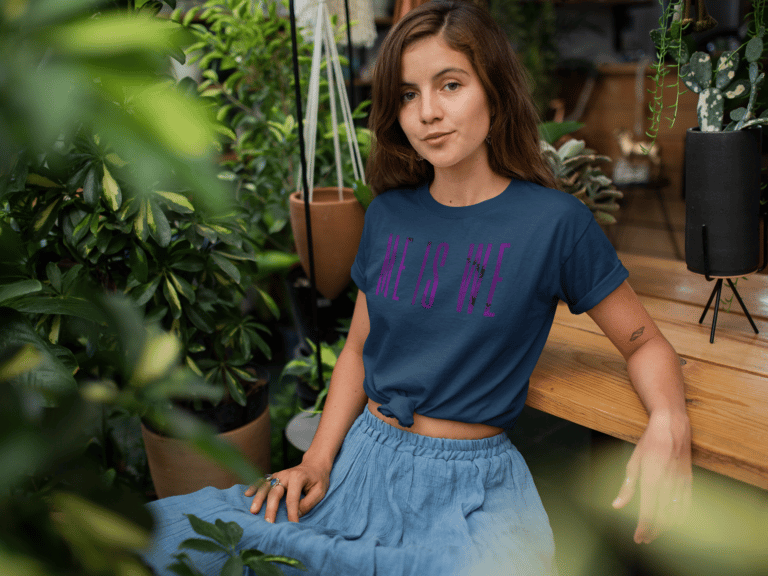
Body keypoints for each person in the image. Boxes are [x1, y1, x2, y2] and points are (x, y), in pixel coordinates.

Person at [141, 2, 692, 574]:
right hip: (361, 466)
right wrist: (318, 460)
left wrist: (667, 419)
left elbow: (644, 344)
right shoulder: (387, 214)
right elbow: (358, 349)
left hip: (471, 492)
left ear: (495, 91)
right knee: (165, 541)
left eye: (450, 84)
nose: (428, 112)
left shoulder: (555, 224)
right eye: (407, 94)